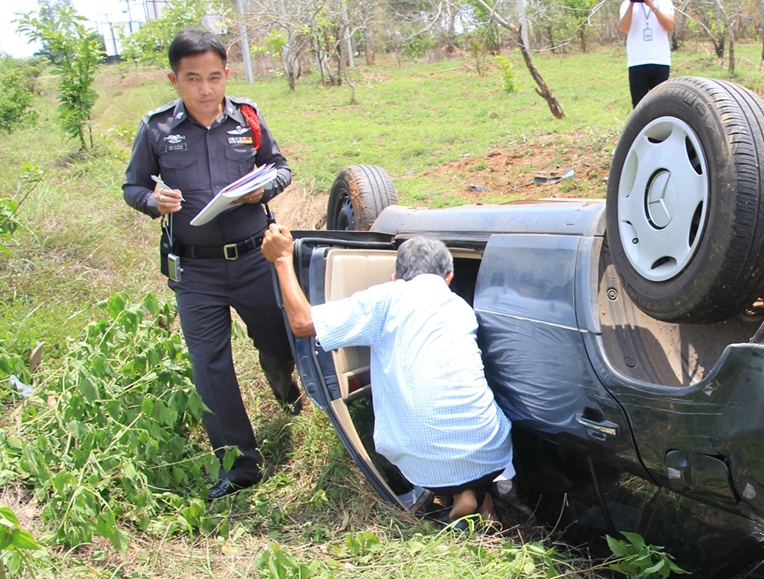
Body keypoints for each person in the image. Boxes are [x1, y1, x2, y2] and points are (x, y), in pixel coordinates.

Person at [123, 29, 302, 500]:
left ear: (226, 74)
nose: (205, 89)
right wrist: (154, 201)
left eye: (214, 77)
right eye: (193, 78)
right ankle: (239, 465)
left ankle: (286, 392)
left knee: (279, 341)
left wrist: (263, 189)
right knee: (210, 365)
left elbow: (281, 167)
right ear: (174, 80)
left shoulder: (247, 117)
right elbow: (133, 187)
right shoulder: (156, 128)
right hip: (195, 270)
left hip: (253, 258)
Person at [261, 229, 514, 522]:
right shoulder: (461, 307)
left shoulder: (385, 299)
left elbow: (303, 322)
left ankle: (463, 498)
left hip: (426, 466)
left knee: (428, 435)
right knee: (476, 412)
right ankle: (480, 499)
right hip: (492, 453)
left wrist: (282, 259)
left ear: (395, 278)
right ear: (449, 277)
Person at [618, 0, 676, 108]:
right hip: (637, 61)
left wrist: (652, 6)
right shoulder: (627, 4)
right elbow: (623, 29)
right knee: (639, 107)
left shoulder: (664, 2)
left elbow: (669, 26)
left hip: (660, 61)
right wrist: (632, 1)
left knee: (661, 105)